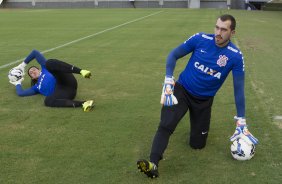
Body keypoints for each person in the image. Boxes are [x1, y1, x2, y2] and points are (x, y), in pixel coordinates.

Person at [137, 14, 258, 178]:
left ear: (232, 33)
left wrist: (241, 119)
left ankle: (196, 131)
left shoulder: (235, 56)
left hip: (204, 101)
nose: (218, 32)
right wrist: (168, 78)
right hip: (182, 90)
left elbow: (238, 89)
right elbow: (173, 54)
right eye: (217, 27)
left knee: (197, 145)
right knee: (166, 124)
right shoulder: (200, 38)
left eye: (224, 29)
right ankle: (153, 164)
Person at [9, 49, 94, 112]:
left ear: (39, 69)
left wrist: (22, 65)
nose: (32, 71)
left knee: (49, 63)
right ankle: (84, 103)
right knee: (47, 101)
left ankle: (81, 71)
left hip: (66, 81)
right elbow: (21, 93)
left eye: (34, 69)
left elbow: (35, 53)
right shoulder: (36, 87)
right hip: (64, 93)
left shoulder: (45, 69)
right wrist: (17, 83)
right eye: (30, 73)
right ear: (32, 78)